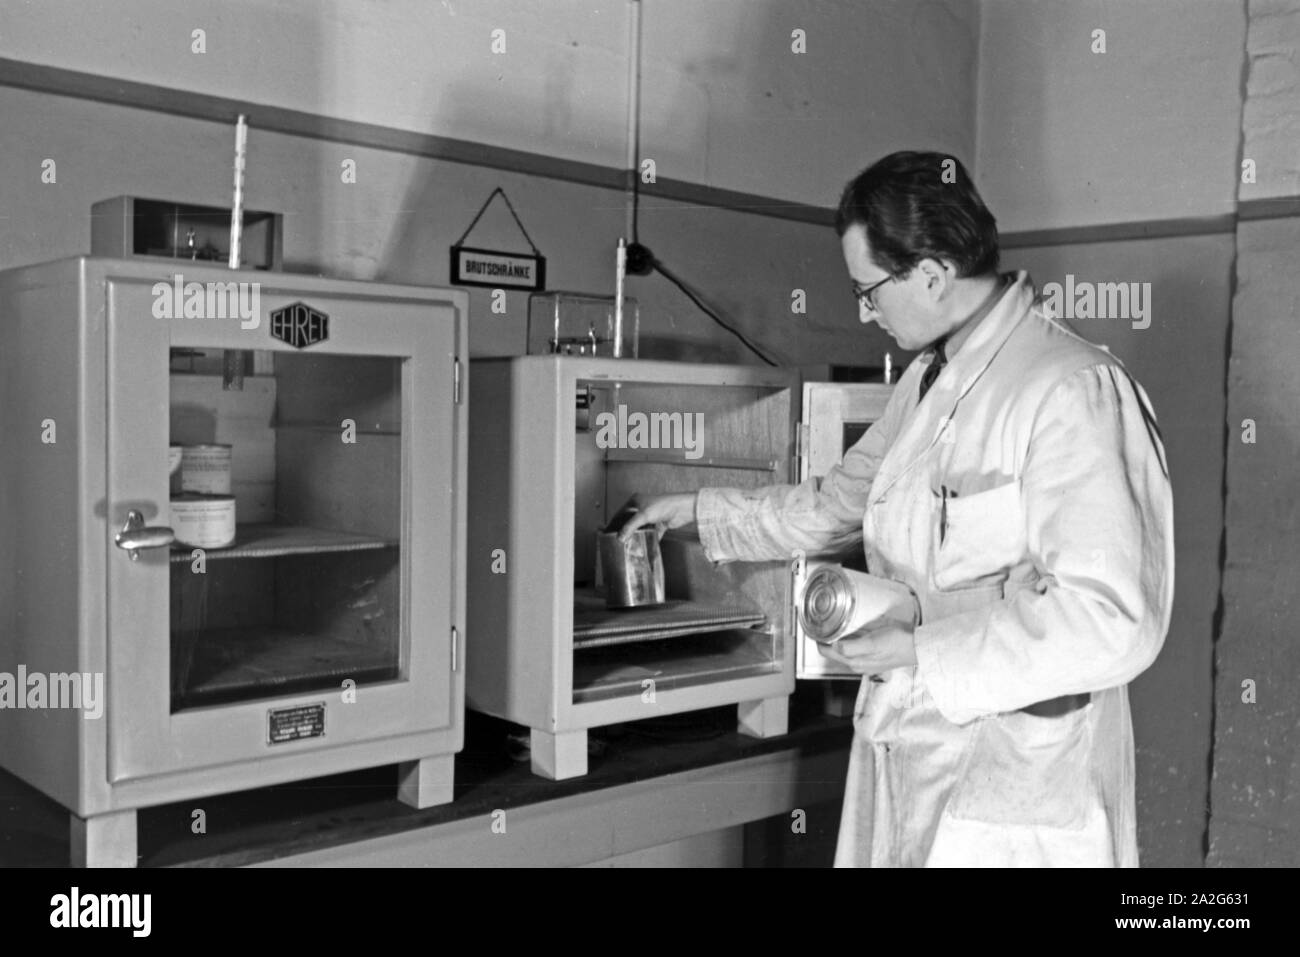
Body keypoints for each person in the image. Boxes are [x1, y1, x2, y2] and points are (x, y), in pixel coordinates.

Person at [618, 151, 1174, 867]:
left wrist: (920, 648)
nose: (865, 310)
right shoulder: (928, 378)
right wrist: (694, 509)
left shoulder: (1072, 389)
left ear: (934, 274)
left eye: (870, 290)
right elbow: (833, 505)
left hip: (1017, 786)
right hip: (912, 745)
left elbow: (1113, 621)